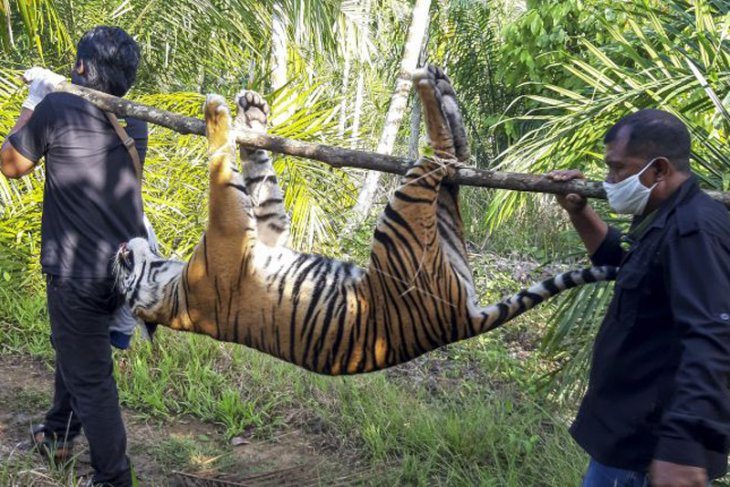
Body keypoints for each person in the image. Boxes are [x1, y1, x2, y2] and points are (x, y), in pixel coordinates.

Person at [548, 109, 730, 487]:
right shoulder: (665, 218)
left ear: (659, 169)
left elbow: (713, 339)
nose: (610, 180)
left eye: (618, 169)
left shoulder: (694, 231)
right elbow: (628, 266)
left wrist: (682, 449)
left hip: (650, 452)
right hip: (628, 439)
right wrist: (579, 211)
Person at [0, 26, 148, 486]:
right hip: (121, 268)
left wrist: (34, 100)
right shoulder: (134, 120)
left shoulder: (58, 108)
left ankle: (113, 478)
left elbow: (11, 164)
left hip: (76, 270)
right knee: (80, 352)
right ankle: (58, 434)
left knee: (91, 378)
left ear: (82, 67)